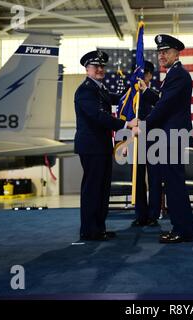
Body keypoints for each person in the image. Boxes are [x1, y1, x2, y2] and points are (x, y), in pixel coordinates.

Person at [136, 34, 193, 243]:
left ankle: (183, 230)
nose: (161, 56)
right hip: (169, 137)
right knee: (172, 185)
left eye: (166, 52)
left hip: (173, 138)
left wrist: (142, 127)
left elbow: (164, 107)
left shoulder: (178, 75)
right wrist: (147, 91)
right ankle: (181, 228)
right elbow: (163, 99)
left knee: (175, 186)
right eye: (159, 52)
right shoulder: (172, 75)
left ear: (176, 53)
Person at [74, 50, 137, 241]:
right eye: (96, 66)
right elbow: (98, 116)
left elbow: (117, 98)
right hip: (91, 147)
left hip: (101, 147)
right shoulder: (85, 90)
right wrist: (126, 124)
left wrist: (133, 87)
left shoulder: (99, 88)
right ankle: (89, 230)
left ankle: (99, 228)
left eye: (102, 66)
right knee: (93, 189)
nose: (100, 69)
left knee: (102, 189)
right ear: (87, 69)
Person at [131, 60, 163, 227]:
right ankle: (140, 214)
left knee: (154, 179)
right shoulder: (131, 95)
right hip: (137, 140)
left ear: (150, 75)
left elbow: (160, 112)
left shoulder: (156, 94)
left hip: (154, 141)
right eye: (137, 74)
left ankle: (153, 215)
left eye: (143, 74)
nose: (140, 78)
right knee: (138, 178)